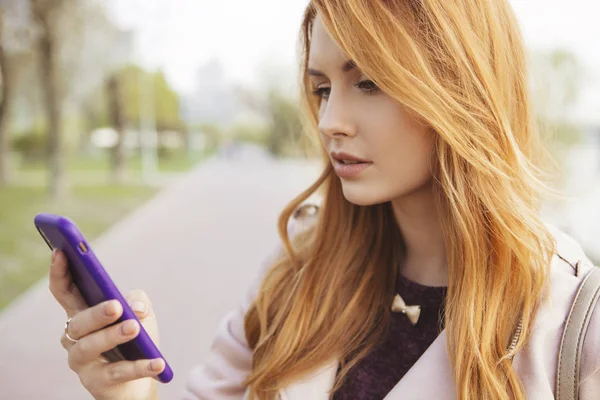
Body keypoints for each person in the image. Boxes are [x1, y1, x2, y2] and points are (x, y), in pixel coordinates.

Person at [49, 1, 600, 399]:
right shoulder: (297, 273)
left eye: (368, 83)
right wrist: (133, 393)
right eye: (321, 89)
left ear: (460, 89)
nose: (330, 122)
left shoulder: (572, 325)